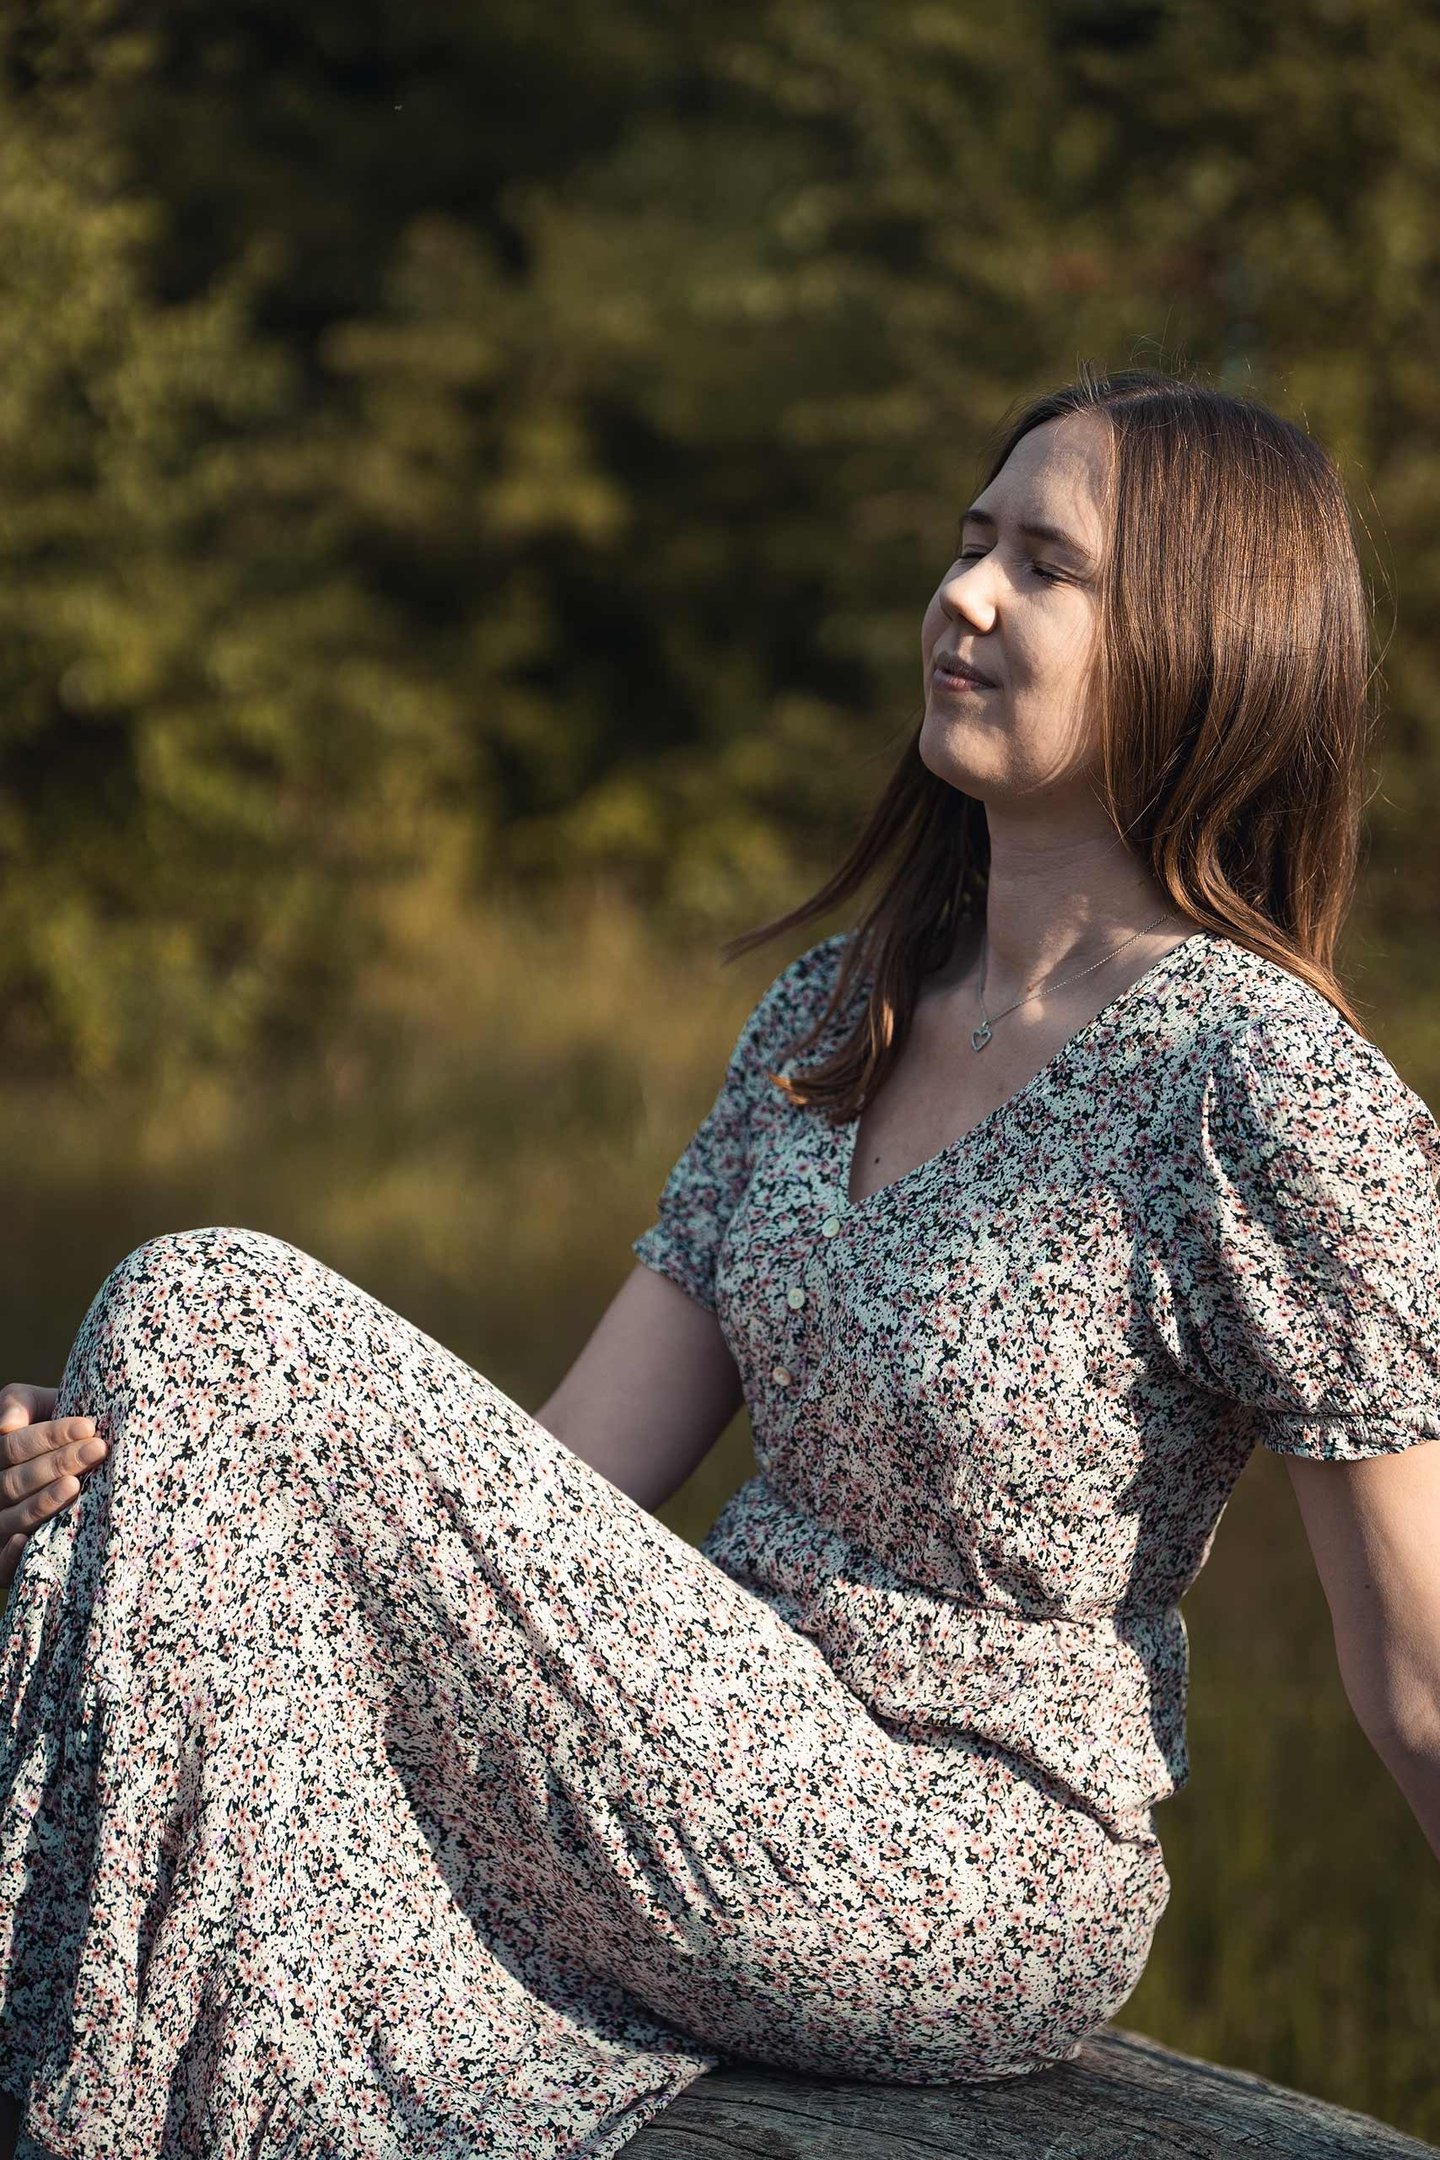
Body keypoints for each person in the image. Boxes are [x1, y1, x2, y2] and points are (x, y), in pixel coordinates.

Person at [1, 363, 1438, 2160]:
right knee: (149, 1423)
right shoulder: (836, 1013)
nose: (965, 598)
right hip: (702, 1769)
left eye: (1047, 567)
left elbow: (1418, 1676)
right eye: (969, 542)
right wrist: (154, 1469)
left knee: (208, 1299)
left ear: (1211, 645)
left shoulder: (1262, 1083)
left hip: (958, 1862)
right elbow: (564, 1484)